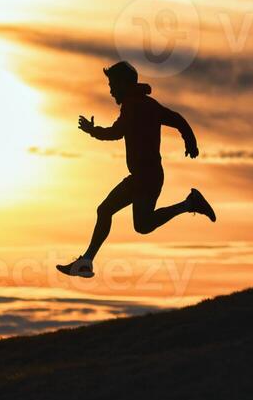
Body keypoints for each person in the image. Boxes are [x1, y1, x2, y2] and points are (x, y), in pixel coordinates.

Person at [57, 60, 216, 278]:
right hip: (143, 177)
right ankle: (86, 261)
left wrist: (92, 131)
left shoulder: (134, 105)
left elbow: (116, 132)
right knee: (113, 213)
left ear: (124, 83)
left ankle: (189, 204)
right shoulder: (147, 104)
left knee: (137, 223)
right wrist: (190, 142)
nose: (111, 91)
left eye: (113, 85)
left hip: (146, 178)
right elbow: (177, 119)